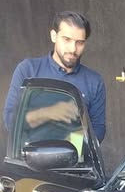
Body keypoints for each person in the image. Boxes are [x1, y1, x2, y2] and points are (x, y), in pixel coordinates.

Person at [3, 11, 106, 146]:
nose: (73, 49)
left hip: (75, 158)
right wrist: (50, 112)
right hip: (29, 157)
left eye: (80, 42)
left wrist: (72, 145)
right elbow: (10, 120)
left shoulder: (94, 81)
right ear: (54, 36)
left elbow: (98, 128)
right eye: (67, 40)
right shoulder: (28, 70)